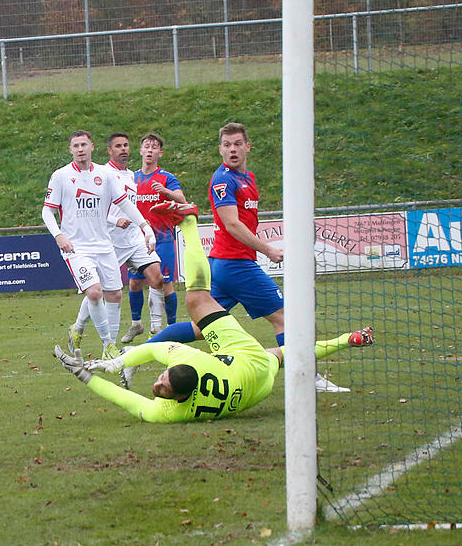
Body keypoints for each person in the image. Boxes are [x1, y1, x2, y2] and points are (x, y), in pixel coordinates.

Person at [54, 200, 374, 423]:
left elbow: (126, 399)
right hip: (252, 368)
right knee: (273, 347)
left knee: (197, 312)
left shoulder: (168, 411)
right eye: (163, 379)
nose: (158, 385)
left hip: (248, 384)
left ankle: (189, 223)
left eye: (161, 384)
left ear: (178, 399)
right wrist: (112, 364)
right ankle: (190, 222)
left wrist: (88, 375)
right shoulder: (192, 363)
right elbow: (154, 351)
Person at [148, 122, 348, 393]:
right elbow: (231, 224)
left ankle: (136, 356)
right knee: (286, 317)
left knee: (200, 328)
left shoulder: (248, 178)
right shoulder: (223, 180)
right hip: (236, 265)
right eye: (227, 145)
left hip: (224, 264)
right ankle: (307, 378)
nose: (232, 150)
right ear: (220, 149)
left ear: (247, 147)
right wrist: (268, 249)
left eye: (237, 144)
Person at [42, 130, 156, 360]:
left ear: (92, 147)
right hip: (76, 247)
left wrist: (146, 227)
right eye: (76, 145)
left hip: (104, 245)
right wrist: (58, 235)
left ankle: (106, 348)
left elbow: (125, 204)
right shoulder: (61, 176)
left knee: (114, 295)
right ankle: (107, 342)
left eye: (84, 144)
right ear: (70, 150)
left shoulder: (105, 174)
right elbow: (47, 210)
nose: (80, 149)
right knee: (94, 293)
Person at [67, 133, 164, 353]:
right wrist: (113, 219)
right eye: (118, 146)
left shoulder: (131, 175)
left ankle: (156, 331)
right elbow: (93, 209)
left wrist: (143, 227)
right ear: (109, 151)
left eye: (126, 145)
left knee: (157, 276)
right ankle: (78, 327)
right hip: (110, 240)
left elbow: (129, 206)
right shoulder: (101, 174)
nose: (123, 149)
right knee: (99, 290)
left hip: (133, 239)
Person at [127, 132, 187, 339]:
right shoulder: (131, 177)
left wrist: (165, 191)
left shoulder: (167, 178)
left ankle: (171, 328)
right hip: (137, 240)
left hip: (163, 238)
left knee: (165, 282)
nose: (150, 150)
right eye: (147, 146)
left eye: (154, 147)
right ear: (141, 150)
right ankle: (136, 323)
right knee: (135, 282)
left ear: (160, 153)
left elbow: (181, 199)